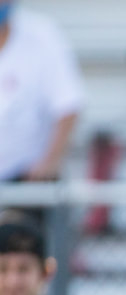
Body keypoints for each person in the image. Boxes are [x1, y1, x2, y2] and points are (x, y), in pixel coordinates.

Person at [0, 0, 84, 224]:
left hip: (25, 185)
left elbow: (68, 105)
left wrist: (49, 161)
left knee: (22, 252)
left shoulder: (41, 35)